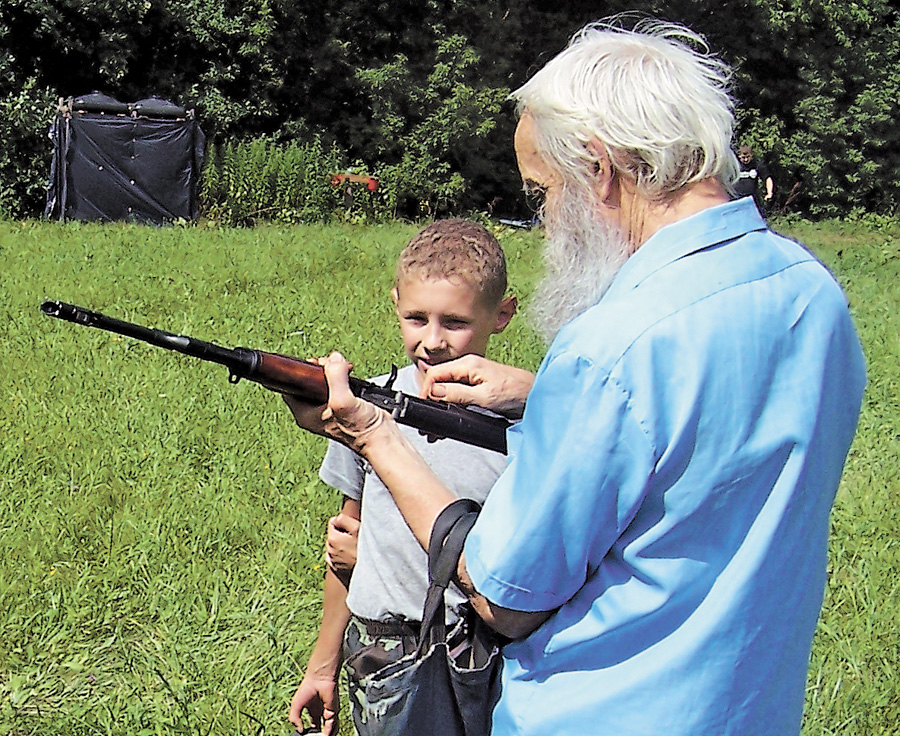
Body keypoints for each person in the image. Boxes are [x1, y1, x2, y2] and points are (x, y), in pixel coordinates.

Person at [284, 18, 866, 736]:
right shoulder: (811, 295)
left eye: (542, 191)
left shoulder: (612, 348)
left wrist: (375, 435)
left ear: (600, 167)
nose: (547, 219)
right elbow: (702, 446)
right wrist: (543, 398)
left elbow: (506, 595)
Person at [287, 218, 517, 736]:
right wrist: (322, 666)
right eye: (416, 318)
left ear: (501, 315)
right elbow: (343, 549)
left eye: (454, 322)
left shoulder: (519, 425)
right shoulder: (363, 407)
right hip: (383, 652)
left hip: (479, 652)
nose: (431, 341)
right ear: (395, 304)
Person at [734, 144, 775, 210]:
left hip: (752, 200)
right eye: (743, 158)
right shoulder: (734, 166)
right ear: (739, 156)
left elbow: (767, 178)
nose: (746, 159)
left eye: (748, 157)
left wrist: (769, 193)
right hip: (736, 199)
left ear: (751, 155)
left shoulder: (756, 165)